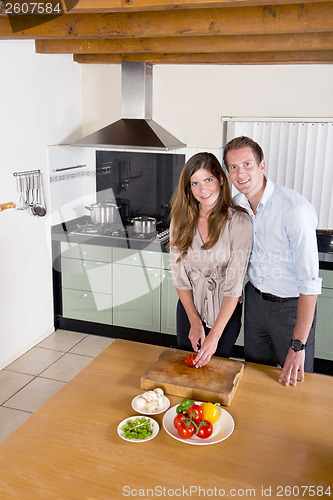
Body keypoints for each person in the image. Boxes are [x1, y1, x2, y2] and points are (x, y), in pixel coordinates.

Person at [223, 136, 322, 387]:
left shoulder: (294, 210)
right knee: (255, 380)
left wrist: (298, 344)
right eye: (233, 167)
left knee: (296, 382)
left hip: (290, 309)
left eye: (247, 164)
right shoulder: (238, 205)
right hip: (255, 303)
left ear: (262, 166)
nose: (240, 173)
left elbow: (309, 284)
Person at [169, 152, 253, 368]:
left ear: (221, 180)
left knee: (215, 369)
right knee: (187, 368)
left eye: (208, 180)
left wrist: (215, 335)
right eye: (194, 183)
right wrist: (194, 321)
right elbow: (180, 279)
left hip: (225, 314)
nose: (202, 189)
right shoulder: (180, 221)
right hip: (189, 309)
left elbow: (234, 287)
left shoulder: (240, 223)